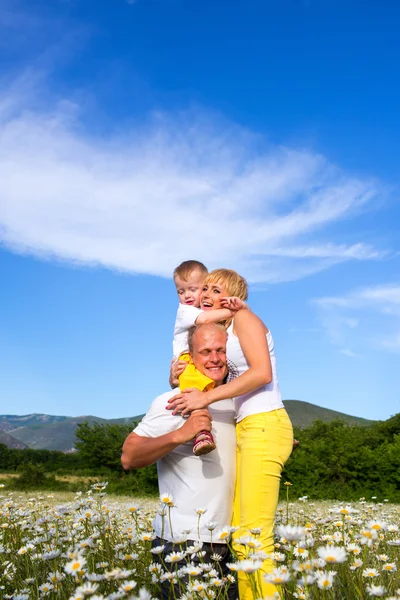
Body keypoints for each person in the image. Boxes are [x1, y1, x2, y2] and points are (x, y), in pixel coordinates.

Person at [168, 269, 294, 600]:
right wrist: (176, 373)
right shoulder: (224, 334)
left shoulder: (246, 320)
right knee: (240, 537)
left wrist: (206, 398)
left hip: (264, 422)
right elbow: (206, 377)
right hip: (249, 427)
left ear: (233, 294)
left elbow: (262, 372)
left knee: (254, 536)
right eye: (204, 288)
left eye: (215, 288)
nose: (206, 294)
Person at [121, 323, 238, 600]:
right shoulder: (172, 400)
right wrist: (181, 434)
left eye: (220, 350)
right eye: (206, 351)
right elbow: (129, 456)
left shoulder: (237, 401)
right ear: (190, 357)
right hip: (183, 544)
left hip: (233, 541)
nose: (214, 358)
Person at [172, 259, 244, 455]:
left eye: (194, 289)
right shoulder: (186, 311)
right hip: (187, 361)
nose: (187, 295)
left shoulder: (214, 316)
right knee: (194, 395)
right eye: (181, 291)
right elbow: (203, 320)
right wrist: (236, 310)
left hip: (203, 363)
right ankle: (201, 432)